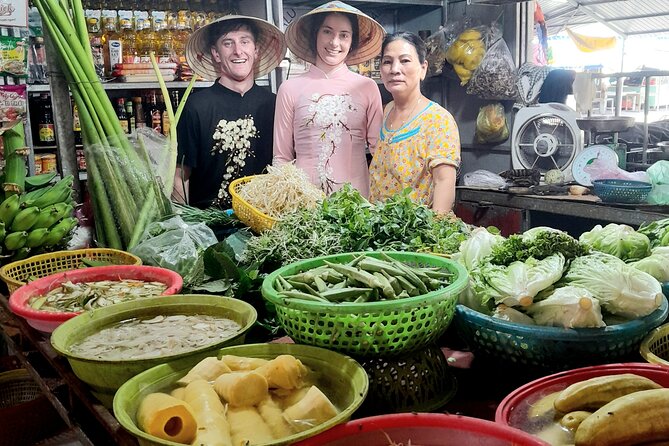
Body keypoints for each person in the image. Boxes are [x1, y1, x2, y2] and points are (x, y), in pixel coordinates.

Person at [174, 15, 287, 208]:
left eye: (245, 41)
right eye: (228, 43)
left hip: (263, 224)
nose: (238, 51)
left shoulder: (275, 104)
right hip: (210, 227)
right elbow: (180, 175)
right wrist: (186, 226)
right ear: (216, 54)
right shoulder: (196, 106)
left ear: (256, 50)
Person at [273, 1, 384, 197]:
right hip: (305, 203)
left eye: (344, 35)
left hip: (356, 205)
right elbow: (281, 157)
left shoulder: (367, 87)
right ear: (314, 34)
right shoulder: (289, 89)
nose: (334, 43)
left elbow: (380, 153)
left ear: (352, 41)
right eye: (327, 32)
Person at [369, 32, 460, 214]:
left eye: (405, 61)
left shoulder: (437, 120)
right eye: (387, 62)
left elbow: (444, 182)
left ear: (423, 68)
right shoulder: (386, 111)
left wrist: (432, 236)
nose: (395, 69)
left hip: (416, 233)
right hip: (379, 232)